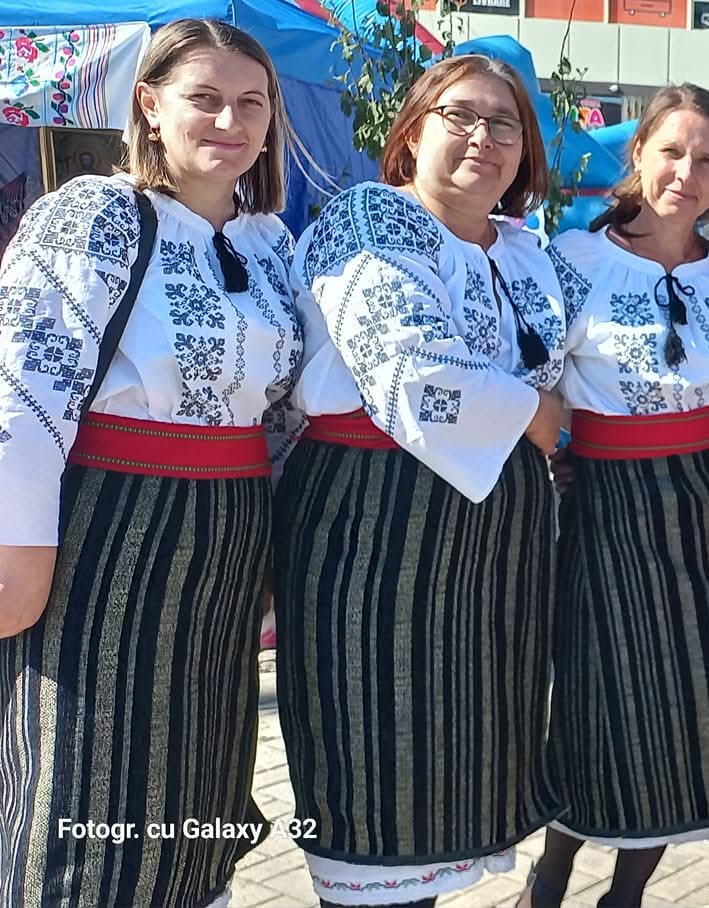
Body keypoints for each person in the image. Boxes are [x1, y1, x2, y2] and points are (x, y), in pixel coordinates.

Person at [0, 19, 299, 906]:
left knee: (199, 767)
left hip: (229, 539)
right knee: (83, 764)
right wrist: (18, 553)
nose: (230, 122)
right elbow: (22, 385)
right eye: (204, 98)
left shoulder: (271, 246)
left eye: (251, 103)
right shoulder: (94, 215)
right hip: (113, 531)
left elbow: (283, 411)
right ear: (150, 104)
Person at [276, 54, 567, 907]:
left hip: (490, 541)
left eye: (504, 123)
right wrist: (535, 414)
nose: (484, 137)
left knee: (452, 759)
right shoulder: (369, 218)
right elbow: (413, 374)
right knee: (374, 750)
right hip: (376, 522)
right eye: (460, 115)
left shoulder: (527, 253)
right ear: (410, 132)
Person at [523, 84, 709, 908]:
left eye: (707, 161)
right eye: (672, 152)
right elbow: (532, 380)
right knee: (598, 698)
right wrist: (562, 456)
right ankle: (551, 876)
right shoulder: (573, 260)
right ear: (639, 154)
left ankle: (626, 894)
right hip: (609, 507)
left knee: (692, 698)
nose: (686, 174)